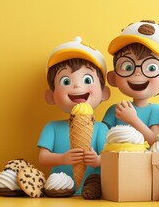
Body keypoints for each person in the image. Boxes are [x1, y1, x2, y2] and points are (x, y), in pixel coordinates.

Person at [102, 19, 159, 150]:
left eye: (151, 68)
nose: (138, 72)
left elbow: (155, 143)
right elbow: (101, 140)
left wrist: (132, 119)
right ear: (113, 77)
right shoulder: (115, 110)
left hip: (145, 166)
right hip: (116, 164)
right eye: (128, 66)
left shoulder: (156, 110)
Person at [38, 36, 110, 197]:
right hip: (58, 191)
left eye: (87, 79)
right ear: (51, 96)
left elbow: (110, 157)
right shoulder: (52, 128)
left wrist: (98, 160)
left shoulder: (101, 128)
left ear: (104, 93)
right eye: (65, 81)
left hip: (94, 190)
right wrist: (62, 158)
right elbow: (43, 158)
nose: (77, 86)